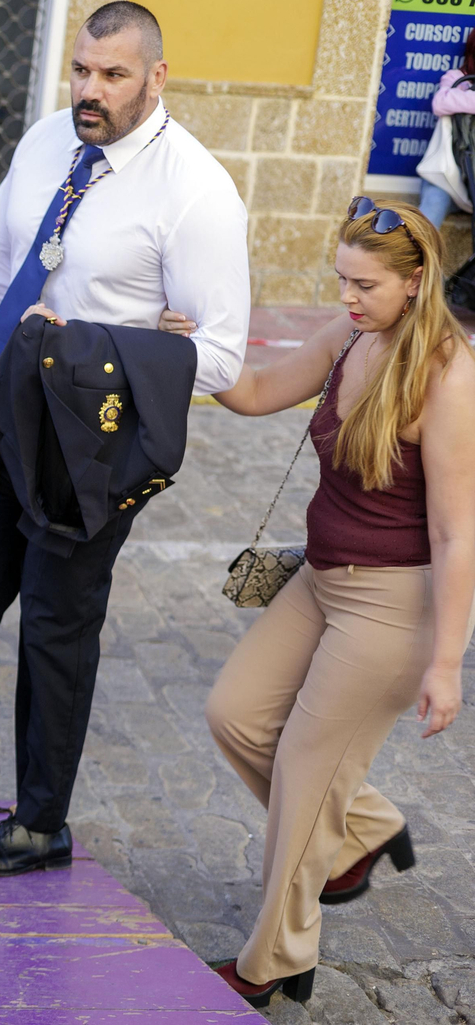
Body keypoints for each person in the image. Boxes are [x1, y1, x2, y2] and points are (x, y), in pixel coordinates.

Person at [0, 2, 250, 876]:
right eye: (81, 71)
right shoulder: (44, 143)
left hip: (93, 436)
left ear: (157, 77)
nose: (90, 92)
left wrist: (89, 344)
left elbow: (219, 356)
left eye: (112, 76)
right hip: (6, 402)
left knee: (57, 626)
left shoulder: (197, 192)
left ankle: (39, 822)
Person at [165, 199, 475, 1008]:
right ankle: (366, 829)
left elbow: (455, 534)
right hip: (320, 577)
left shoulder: (450, 374)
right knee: (235, 713)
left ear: (415, 283)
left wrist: (446, 663)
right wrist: (194, 351)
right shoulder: (351, 336)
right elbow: (260, 389)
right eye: (341, 279)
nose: (347, 297)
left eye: (364, 285)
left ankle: (274, 963)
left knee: (305, 782)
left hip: (391, 605)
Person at [418, 28, 475, 228]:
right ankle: (417, 259)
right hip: (450, 174)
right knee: (434, 201)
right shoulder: (458, 77)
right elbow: (441, 102)